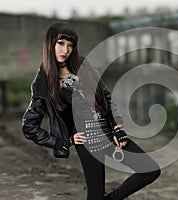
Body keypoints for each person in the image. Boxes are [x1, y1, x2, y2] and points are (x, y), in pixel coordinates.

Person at [22, 22, 160, 200]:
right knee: (95, 196)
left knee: (150, 169)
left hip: (109, 134)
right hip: (87, 143)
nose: (66, 50)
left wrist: (118, 128)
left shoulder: (82, 65)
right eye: (61, 43)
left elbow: (106, 97)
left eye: (70, 45)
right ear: (50, 44)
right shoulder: (43, 82)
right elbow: (29, 126)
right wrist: (63, 141)